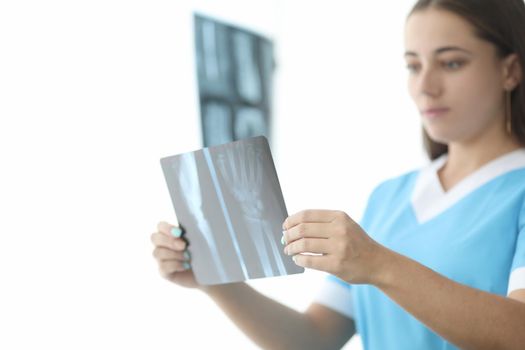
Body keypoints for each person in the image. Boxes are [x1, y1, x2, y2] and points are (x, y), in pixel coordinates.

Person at [150, 0, 525, 348]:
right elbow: (313, 339)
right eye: (413, 66)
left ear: (510, 70)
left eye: (451, 63)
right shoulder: (390, 197)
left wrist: (379, 264)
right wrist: (217, 284)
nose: (425, 86)